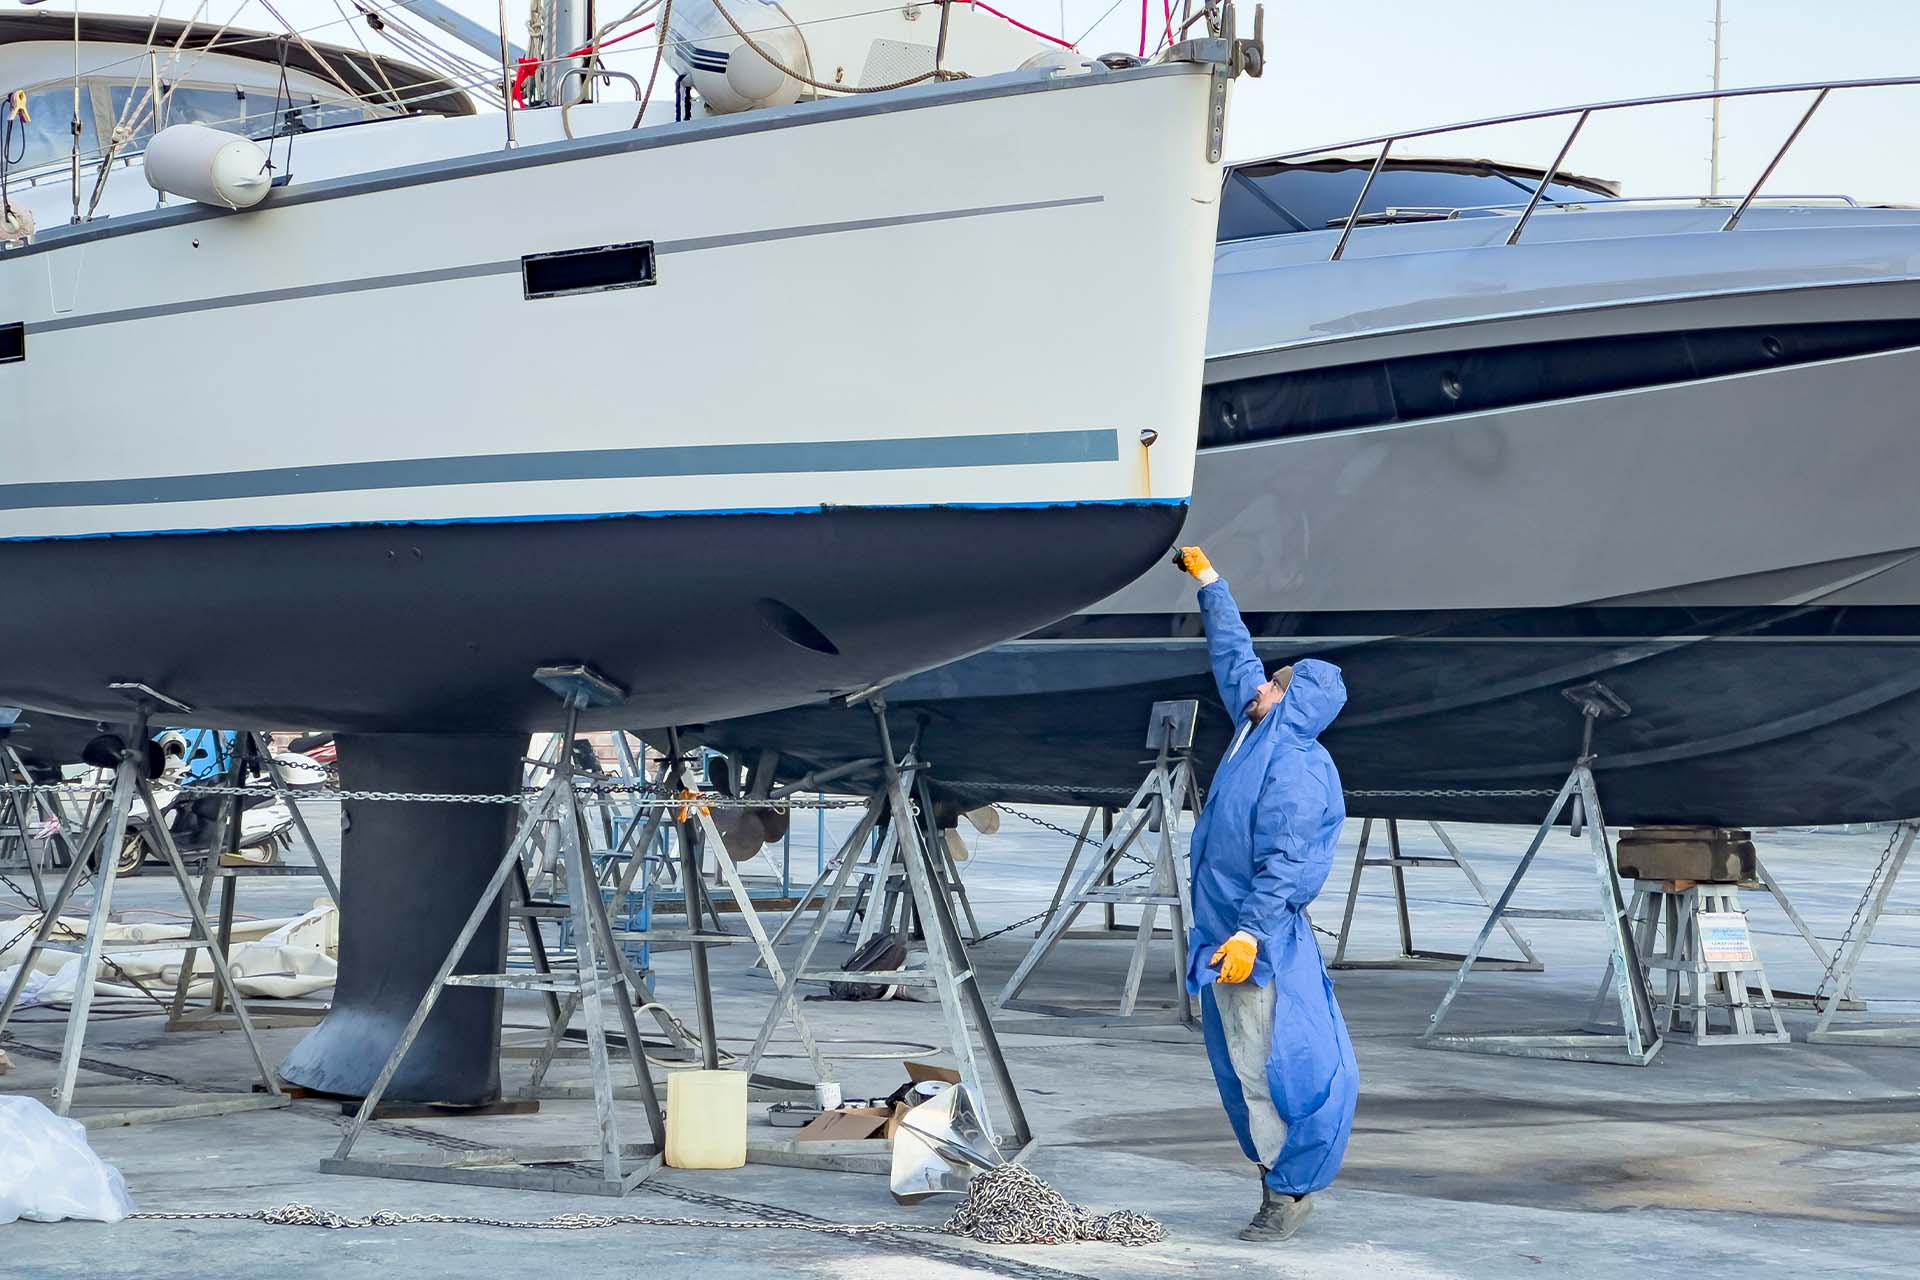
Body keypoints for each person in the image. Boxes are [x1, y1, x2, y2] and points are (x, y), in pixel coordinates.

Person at [1172, 544, 1359, 1242]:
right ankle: (1277, 1178)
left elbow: (1286, 862)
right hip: (1223, 933)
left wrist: (1250, 933)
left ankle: (1288, 1190)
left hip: (1256, 940)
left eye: (1274, 684)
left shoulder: (1296, 766)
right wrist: (1211, 585)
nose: (1259, 687)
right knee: (1237, 1064)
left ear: (1293, 698)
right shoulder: (1259, 730)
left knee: (1266, 1065)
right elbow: (1235, 660)